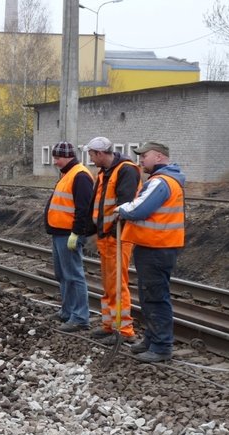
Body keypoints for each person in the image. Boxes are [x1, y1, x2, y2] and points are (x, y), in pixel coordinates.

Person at [115, 141, 185, 363]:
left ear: (159, 156)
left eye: (144, 156)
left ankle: (162, 346)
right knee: (148, 295)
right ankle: (151, 339)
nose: (141, 160)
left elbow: (140, 209)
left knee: (155, 297)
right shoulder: (163, 180)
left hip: (158, 247)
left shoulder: (161, 182)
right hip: (155, 246)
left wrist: (121, 209)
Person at [85, 136, 142, 345]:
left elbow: (124, 205)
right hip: (107, 235)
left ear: (100, 154)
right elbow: (99, 204)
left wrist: (110, 231)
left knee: (118, 283)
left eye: (91, 154)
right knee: (109, 283)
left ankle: (124, 329)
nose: (90, 159)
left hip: (119, 236)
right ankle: (109, 325)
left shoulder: (126, 170)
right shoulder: (104, 173)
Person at [44, 142, 94, 332]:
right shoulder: (68, 174)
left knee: (74, 275)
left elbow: (84, 208)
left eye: (57, 158)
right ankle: (67, 312)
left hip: (68, 234)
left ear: (68, 156)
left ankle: (80, 317)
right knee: (63, 275)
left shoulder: (80, 176)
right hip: (59, 233)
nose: (55, 162)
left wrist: (77, 232)